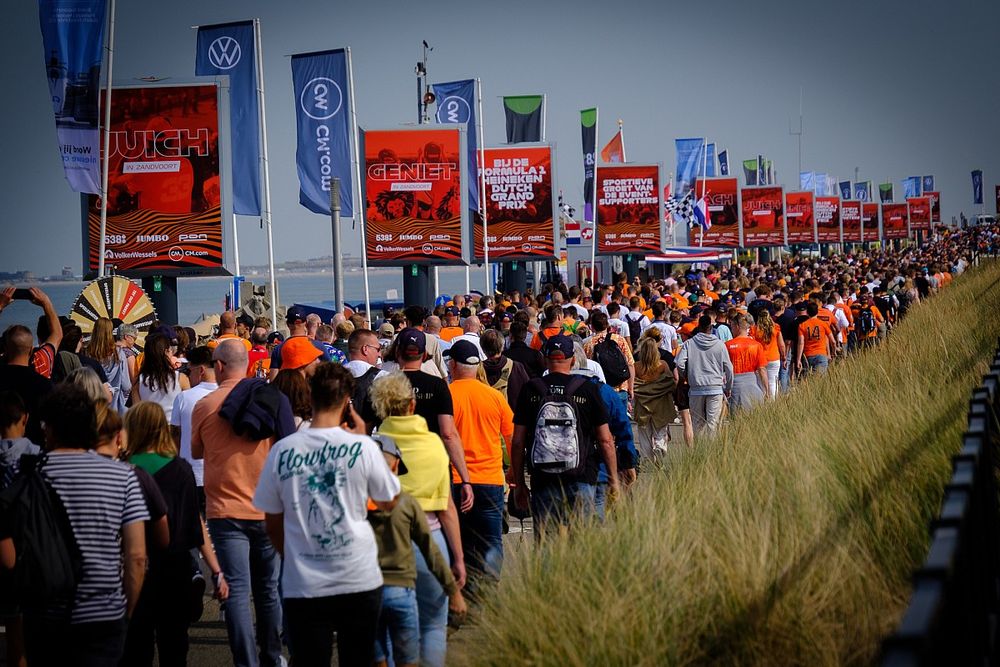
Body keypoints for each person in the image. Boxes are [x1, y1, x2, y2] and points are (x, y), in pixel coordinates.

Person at [253, 363, 400, 666]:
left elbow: (273, 520)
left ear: (311, 393)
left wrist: (293, 553)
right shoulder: (363, 447)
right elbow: (389, 500)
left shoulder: (282, 450)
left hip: (304, 580)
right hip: (357, 575)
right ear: (348, 400)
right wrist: (363, 438)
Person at [0, 384, 149, 666]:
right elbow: (137, 556)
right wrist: (126, 611)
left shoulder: (26, 472)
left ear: (48, 429)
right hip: (103, 611)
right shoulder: (123, 476)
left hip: (44, 611)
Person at [191, 340, 283, 667]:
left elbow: (198, 451)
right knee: (268, 591)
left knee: (237, 594)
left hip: (225, 511)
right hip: (266, 507)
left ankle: (247, 662)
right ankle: (273, 656)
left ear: (218, 367)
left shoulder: (205, 405)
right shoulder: (270, 398)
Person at [369, 372, 466, 667]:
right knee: (433, 625)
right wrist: (458, 558)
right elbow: (447, 507)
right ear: (412, 405)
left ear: (382, 407)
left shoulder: (370, 446)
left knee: (380, 627)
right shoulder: (434, 445)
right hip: (430, 539)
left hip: (380, 542)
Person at [121, 401, 229, 667]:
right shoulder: (181, 470)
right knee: (174, 648)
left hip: (134, 570)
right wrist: (216, 570)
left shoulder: (122, 469)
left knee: (135, 649)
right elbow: (196, 522)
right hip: (175, 570)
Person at [510, 335, 618, 532]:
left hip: (543, 478)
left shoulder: (531, 389)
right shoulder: (588, 390)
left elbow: (517, 442)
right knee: (581, 542)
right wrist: (613, 479)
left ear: (544, 359)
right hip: (582, 475)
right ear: (574, 360)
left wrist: (519, 484)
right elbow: (606, 440)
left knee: (546, 542)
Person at [444, 340, 513, 588]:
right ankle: (489, 587)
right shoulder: (494, 396)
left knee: (459, 539)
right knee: (492, 539)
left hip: (455, 479)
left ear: (452, 365)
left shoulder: (447, 395)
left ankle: (465, 589)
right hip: (490, 478)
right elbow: (511, 435)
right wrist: (513, 468)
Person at [384, 328, 474, 513]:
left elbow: (364, 430)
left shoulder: (383, 385)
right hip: (431, 465)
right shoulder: (437, 385)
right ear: (424, 354)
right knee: (439, 519)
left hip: (391, 467)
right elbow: (448, 434)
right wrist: (465, 479)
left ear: (397, 352)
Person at [168, 346, 215, 510]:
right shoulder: (229, 394)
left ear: (201, 370)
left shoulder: (183, 398)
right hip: (221, 475)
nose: (188, 375)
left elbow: (175, 438)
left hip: (191, 474)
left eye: (189, 370)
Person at [675, 315, 733, 436]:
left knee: (697, 423)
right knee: (713, 423)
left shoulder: (689, 344)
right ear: (711, 327)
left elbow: (679, 363)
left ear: (699, 326)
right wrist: (728, 387)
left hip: (696, 387)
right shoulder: (720, 344)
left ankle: (700, 451)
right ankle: (711, 452)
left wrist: (687, 375)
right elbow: (729, 368)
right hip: (715, 387)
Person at [0, 325, 53, 445]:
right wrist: (46, 305)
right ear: (31, 350)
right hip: (35, 449)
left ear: (5, 349)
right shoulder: (43, 384)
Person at [0, 287, 62, 379]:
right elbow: (57, 334)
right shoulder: (41, 364)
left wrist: (0, 305)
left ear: (5, 349)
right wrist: (46, 302)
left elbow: (57, 334)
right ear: (31, 350)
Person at [631, 337, 677, 459]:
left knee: (644, 433)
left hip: (642, 404)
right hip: (660, 404)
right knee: (660, 430)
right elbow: (670, 382)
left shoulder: (636, 367)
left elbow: (632, 384)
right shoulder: (662, 365)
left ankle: (647, 457)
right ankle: (659, 446)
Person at [583, 311, 635, 406]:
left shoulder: (588, 344)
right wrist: (630, 388)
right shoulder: (619, 340)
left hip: (600, 389)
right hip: (620, 387)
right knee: (620, 419)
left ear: (592, 327)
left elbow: (587, 369)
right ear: (607, 325)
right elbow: (630, 364)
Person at [135, 332, 190, 421]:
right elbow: (187, 408)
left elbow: (137, 412)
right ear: (166, 352)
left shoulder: (139, 381)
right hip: (174, 428)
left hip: (149, 428)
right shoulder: (181, 378)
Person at [85, 317, 132, 415]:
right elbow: (126, 384)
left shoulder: (87, 353)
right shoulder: (118, 353)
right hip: (115, 407)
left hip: (94, 406)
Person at [724, 312, 769, 410]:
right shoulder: (756, 345)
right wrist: (767, 390)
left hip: (735, 385)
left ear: (737, 326)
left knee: (736, 417)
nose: (731, 330)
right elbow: (762, 370)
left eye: (732, 327)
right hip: (752, 384)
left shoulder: (727, 345)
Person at [481, 329, 529, 410]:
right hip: (511, 419)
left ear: (482, 348)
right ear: (502, 347)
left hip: (484, 420)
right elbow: (528, 393)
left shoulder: (476, 370)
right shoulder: (516, 367)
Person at [750, 308, 785, 399]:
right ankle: (772, 403)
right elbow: (781, 345)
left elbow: (752, 345)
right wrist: (784, 357)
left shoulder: (754, 329)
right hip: (774, 358)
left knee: (761, 383)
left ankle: (764, 403)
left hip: (760, 360)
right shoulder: (776, 327)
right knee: (773, 382)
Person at [797, 301, 837, 375]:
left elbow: (801, 343)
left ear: (807, 312)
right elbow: (833, 341)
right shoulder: (823, 324)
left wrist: (798, 359)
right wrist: (833, 352)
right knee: (820, 380)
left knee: (809, 380)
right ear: (817, 312)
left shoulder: (802, 325)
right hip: (821, 354)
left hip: (808, 355)